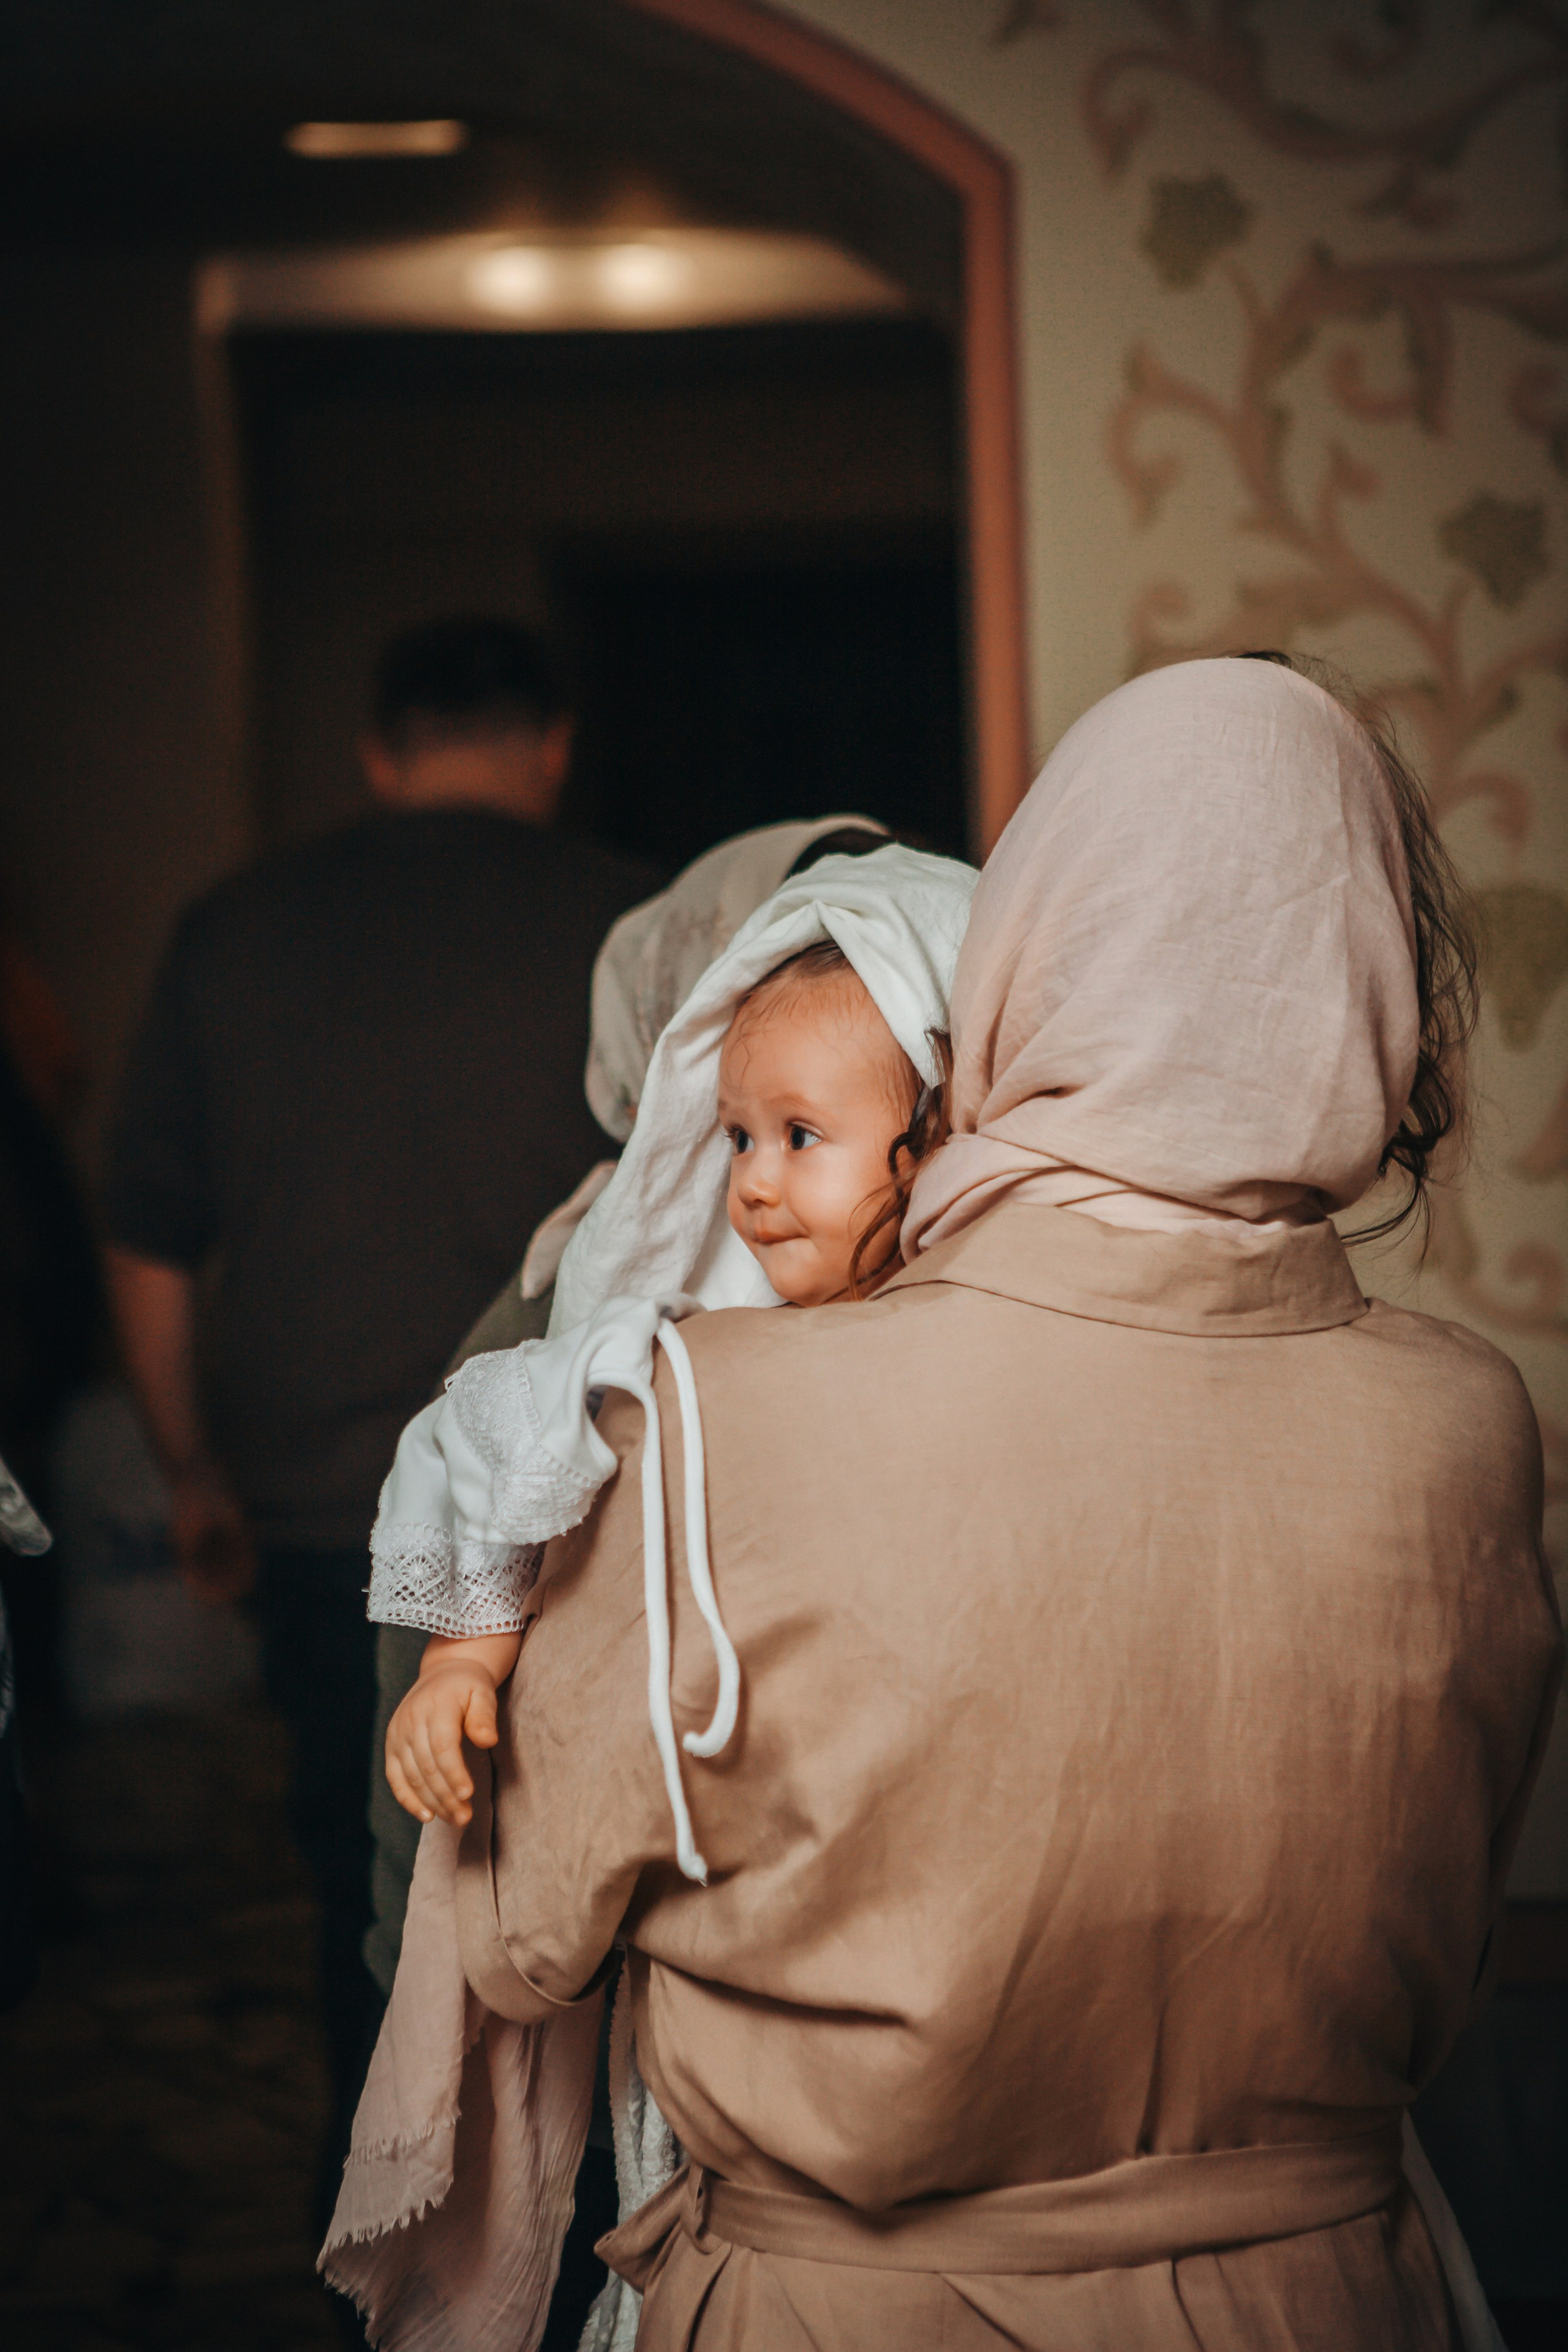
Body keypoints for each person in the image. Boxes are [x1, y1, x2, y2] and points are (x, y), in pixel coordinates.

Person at [351, 653, 1558, 2351]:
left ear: (1028, 960)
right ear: (1374, 987)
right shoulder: (1476, 1425)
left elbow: (530, 1936)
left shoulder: (714, 1413)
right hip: (1329, 2292)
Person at [322, 843, 978, 2351]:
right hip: (711, 1930)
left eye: (799, 1135)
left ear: (936, 1130)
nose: (749, 1180)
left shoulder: (999, 1338)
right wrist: (465, 1664)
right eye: (735, 1133)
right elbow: (499, 1431)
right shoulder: (663, 1329)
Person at [101, 616, 659, 2235]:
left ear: (378, 749)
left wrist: (195, 1471)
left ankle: (389, 2222)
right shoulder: (632, 922)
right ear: (549, 744)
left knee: (370, 1884)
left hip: (311, 1503)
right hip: (582, 1510)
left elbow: (148, 1233)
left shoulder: (232, 929)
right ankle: (579, 2252)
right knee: (592, 1904)